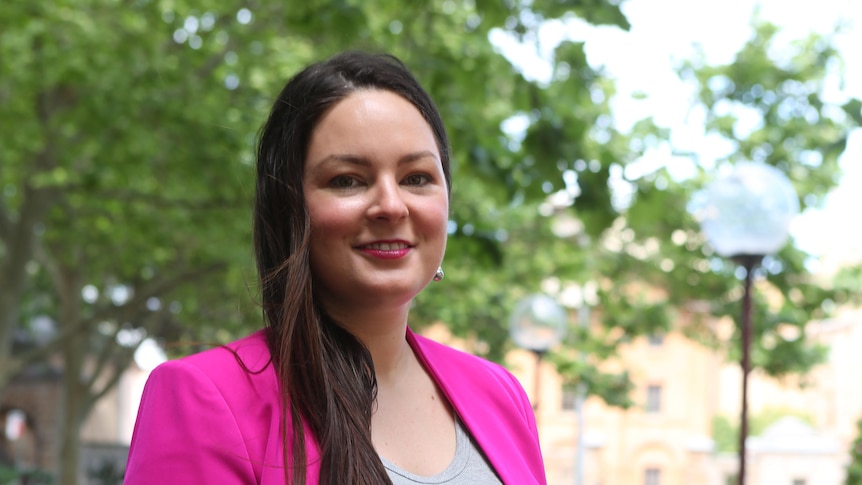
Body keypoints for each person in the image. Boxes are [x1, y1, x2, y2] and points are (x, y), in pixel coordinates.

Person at [124, 51, 546, 484]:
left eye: (416, 177)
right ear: (290, 209)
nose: (391, 205)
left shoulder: (501, 395)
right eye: (348, 180)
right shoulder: (203, 397)